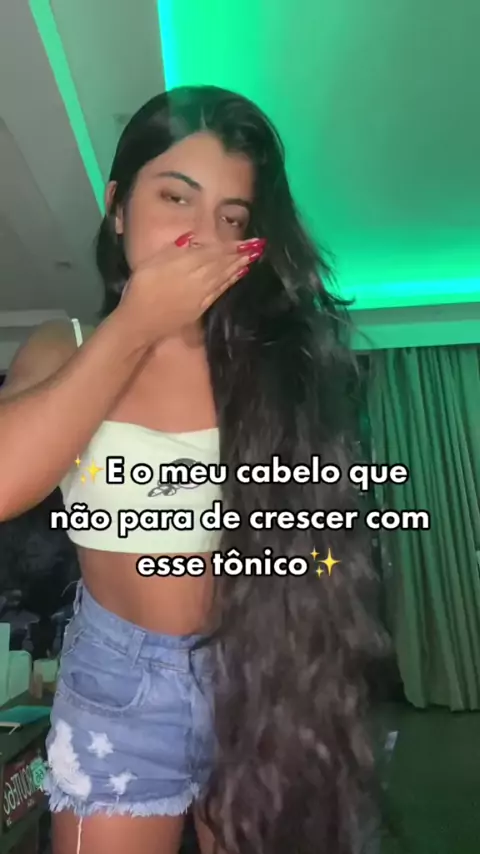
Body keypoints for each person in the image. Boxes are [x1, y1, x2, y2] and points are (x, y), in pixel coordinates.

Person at [0, 86, 385, 854]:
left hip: (258, 667)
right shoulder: (65, 345)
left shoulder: (274, 368)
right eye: (176, 197)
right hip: (117, 683)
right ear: (117, 207)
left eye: (231, 218)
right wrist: (134, 327)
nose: (201, 235)